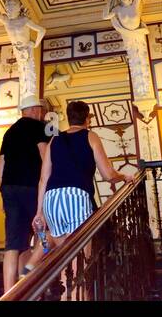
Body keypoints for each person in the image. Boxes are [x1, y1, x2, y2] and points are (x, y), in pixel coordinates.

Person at [35, 100, 130, 245]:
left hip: (51, 199)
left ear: (68, 118)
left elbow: (43, 179)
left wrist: (39, 212)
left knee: (63, 257)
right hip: (76, 197)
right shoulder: (90, 136)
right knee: (79, 256)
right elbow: (108, 175)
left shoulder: (54, 139)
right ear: (87, 119)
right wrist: (124, 177)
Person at [0, 96, 51, 291]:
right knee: (42, 233)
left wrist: (3, 191)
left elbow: (1, 163)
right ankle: (33, 281)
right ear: (36, 110)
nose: (42, 114)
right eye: (41, 110)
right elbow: (45, 155)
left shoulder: (9, 132)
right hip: (32, 188)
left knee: (13, 244)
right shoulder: (39, 127)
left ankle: (10, 293)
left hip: (9, 189)